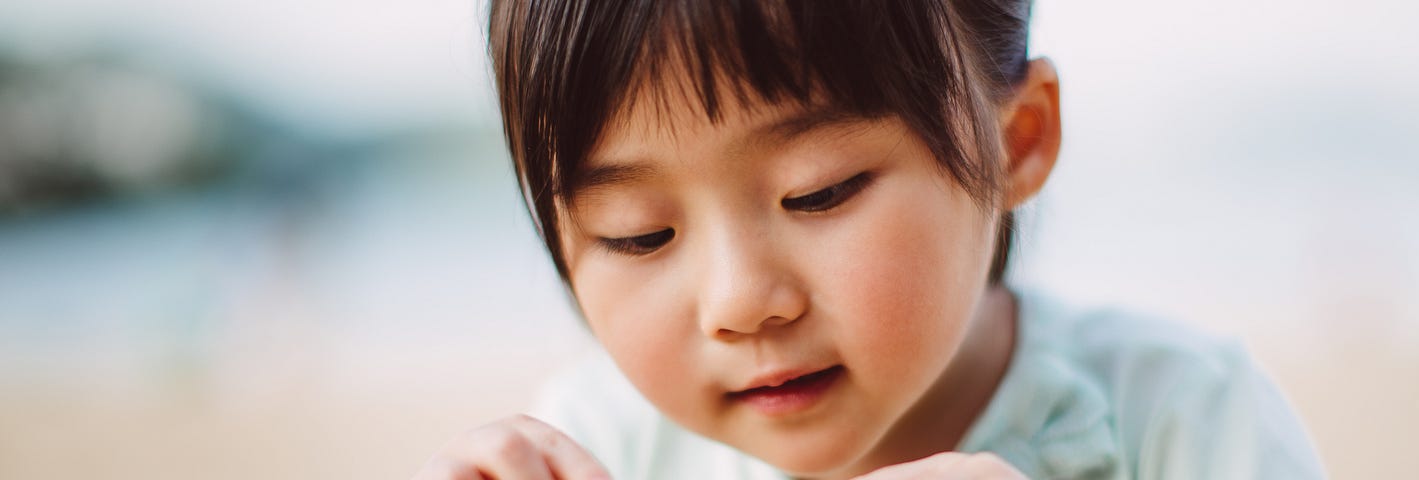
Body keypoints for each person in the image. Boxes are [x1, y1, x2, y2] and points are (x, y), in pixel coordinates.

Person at [414, 1, 1325, 478]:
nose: (739, 301)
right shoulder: (598, 449)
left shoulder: (1183, 421)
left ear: (1017, 140)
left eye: (821, 192)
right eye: (640, 235)